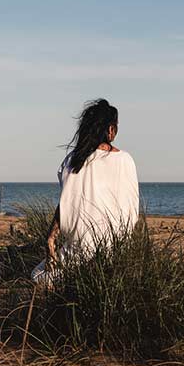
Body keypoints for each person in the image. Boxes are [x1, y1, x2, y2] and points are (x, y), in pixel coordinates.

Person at [33, 99, 140, 285]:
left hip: (81, 249)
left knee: (38, 276)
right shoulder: (126, 160)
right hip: (117, 249)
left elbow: (67, 201)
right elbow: (131, 209)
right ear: (111, 130)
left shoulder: (74, 160)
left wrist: (51, 237)